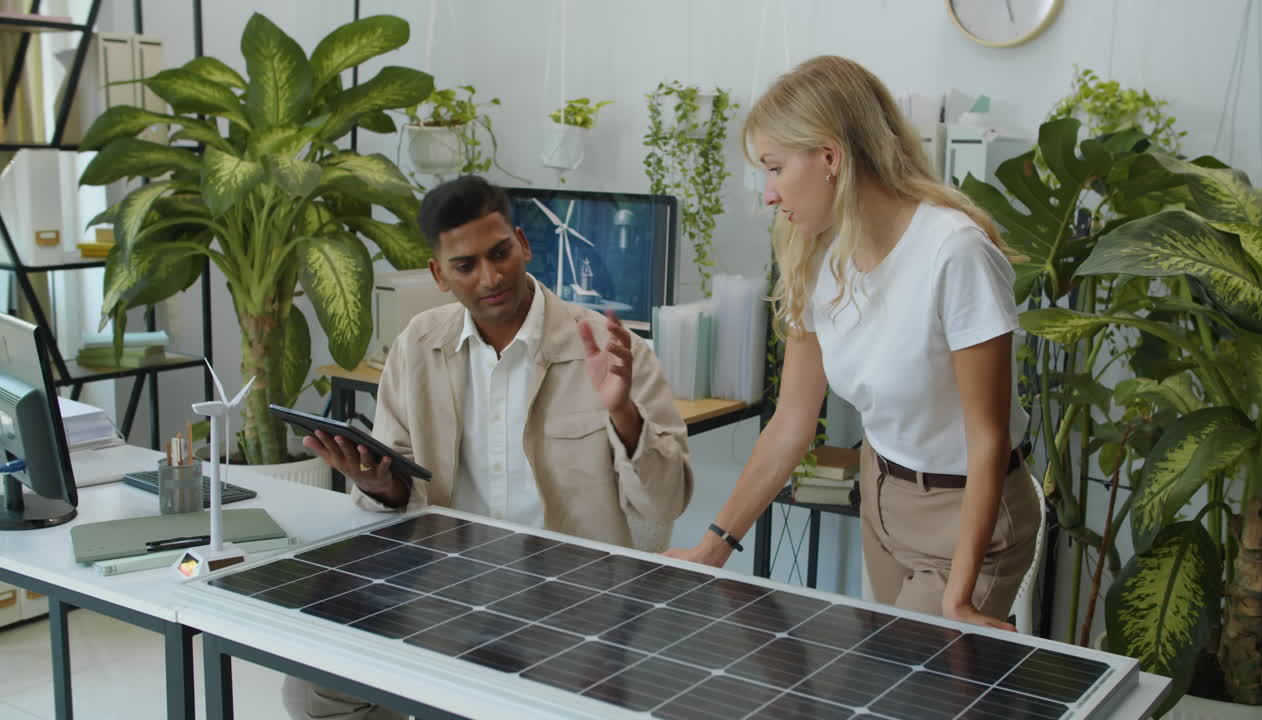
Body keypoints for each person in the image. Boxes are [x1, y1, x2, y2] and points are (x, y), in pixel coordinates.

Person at [285, 174, 694, 720]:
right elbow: (399, 488)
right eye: (466, 265)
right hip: (451, 594)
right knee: (313, 689)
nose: (491, 275)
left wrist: (623, 412)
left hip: (575, 609)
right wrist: (378, 483)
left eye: (500, 253)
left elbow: (666, 502)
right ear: (438, 274)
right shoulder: (417, 346)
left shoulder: (610, 348)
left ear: (523, 243)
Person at [667, 55, 1038, 632]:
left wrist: (960, 600)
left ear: (830, 158)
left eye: (774, 167)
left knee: (917, 692)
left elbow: (986, 438)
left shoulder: (953, 253)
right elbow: (791, 420)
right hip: (881, 497)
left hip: (965, 515)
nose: (768, 193)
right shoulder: (815, 253)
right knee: (886, 681)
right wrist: (713, 547)